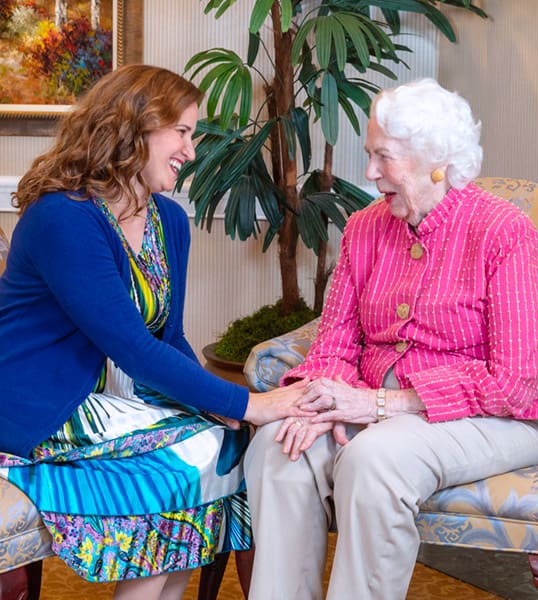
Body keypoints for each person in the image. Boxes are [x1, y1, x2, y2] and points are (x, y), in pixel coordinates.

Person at [0, 64, 310, 600]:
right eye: (183, 132)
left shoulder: (169, 220)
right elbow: (134, 348)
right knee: (210, 444)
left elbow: (168, 340)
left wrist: (218, 404)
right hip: (38, 406)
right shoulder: (64, 218)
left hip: (111, 400)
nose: (191, 151)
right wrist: (248, 403)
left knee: (224, 439)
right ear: (133, 127)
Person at [244, 78, 538, 600]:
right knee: (279, 448)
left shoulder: (502, 231)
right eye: (370, 155)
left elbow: (518, 382)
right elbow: (334, 342)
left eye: (383, 157)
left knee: (376, 460)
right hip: (371, 405)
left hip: (490, 417)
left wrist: (380, 403)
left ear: (436, 159)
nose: (369, 174)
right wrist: (325, 399)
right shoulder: (365, 227)